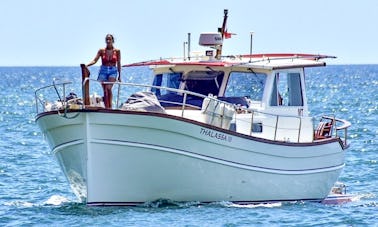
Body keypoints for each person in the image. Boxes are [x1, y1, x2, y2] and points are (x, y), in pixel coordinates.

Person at [87, 34, 121, 109]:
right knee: (105, 90)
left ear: (113, 40)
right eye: (107, 39)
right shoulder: (101, 51)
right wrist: (87, 65)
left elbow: (118, 63)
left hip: (113, 71)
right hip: (103, 71)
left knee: (108, 88)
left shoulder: (117, 51)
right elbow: (94, 60)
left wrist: (119, 76)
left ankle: (110, 107)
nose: (108, 41)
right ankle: (107, 108)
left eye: (110, 39)